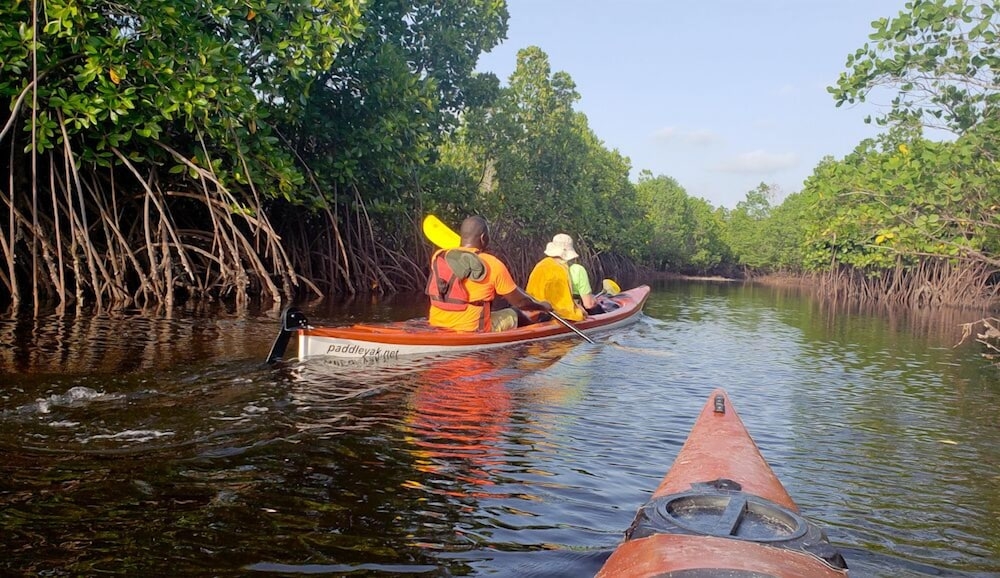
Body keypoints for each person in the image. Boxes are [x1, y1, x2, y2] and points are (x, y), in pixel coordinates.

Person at [427, 216, 552, 332]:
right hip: (473, 328)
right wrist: (542, 306)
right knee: (517, 313)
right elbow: (521, 303)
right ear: (483, 238)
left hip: (437, 323)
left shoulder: (439, 256)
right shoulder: (492, 264)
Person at [526, 233, 598, 321]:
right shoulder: (577, 269)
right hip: (560, 316)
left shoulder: (540, 266)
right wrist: (592, 302)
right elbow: (588, 305)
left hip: (534, 315)